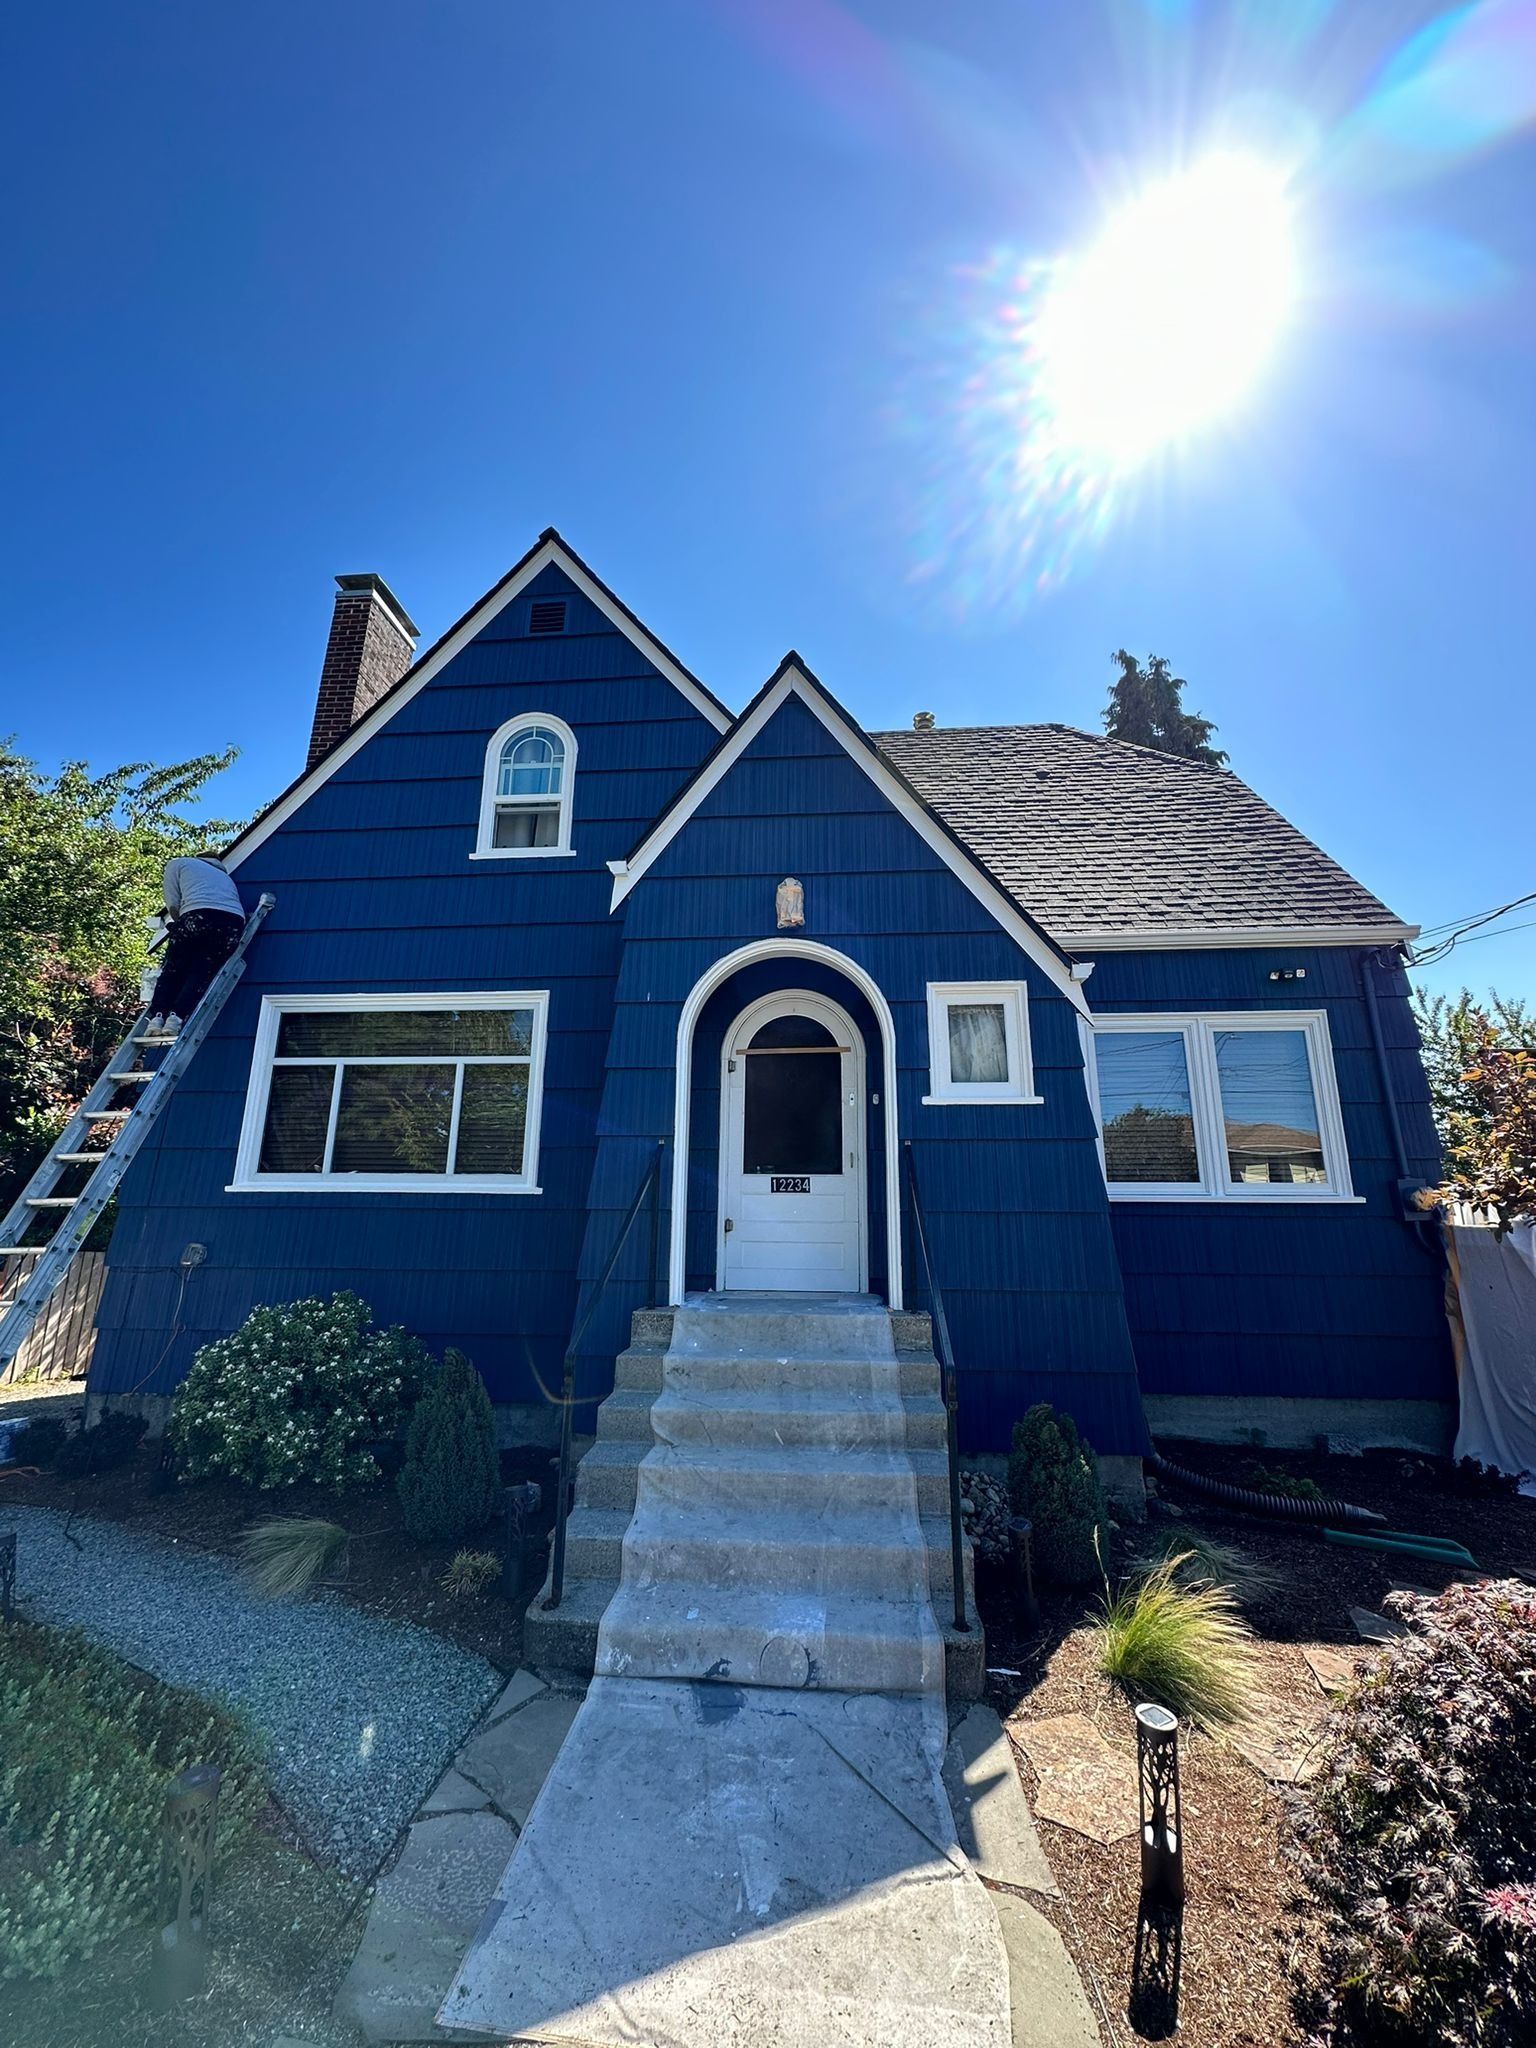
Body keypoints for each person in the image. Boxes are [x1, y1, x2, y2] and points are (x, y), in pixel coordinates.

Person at [144, 852, 246, 1034]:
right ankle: (176, 1018)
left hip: (198, 916)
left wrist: (180, 928)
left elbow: (173, 904)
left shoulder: (180, 863)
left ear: (199, 858)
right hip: (232, 925)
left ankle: (157, 1019)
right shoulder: (225, 877)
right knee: (201, 972)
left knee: (173, 969)